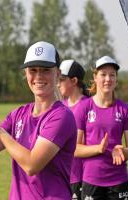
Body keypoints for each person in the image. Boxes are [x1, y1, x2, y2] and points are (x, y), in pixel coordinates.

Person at [0, 41, 77, 199]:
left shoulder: (61, 116)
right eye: (33, 70)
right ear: (26, 74)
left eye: (45, 70)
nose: (38, 76)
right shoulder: (19, 114)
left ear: (57, 74)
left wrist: (1, 133)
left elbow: (32, 165)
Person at [74, 56, 128, 200]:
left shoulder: (124, 109)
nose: (108, 79)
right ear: (95, 77)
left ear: (116, 79)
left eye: (112, 75)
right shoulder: (84, 107)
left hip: (119, 182)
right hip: (91, 181)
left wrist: (121, 150)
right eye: (103, 74)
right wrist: (98, 148)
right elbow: (75, 149)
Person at [58, 60, 88, 200]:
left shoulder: (89, 105)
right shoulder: (60, 106)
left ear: (74, 81)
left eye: (62, 80)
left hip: (83, 178)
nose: (58, 84)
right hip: (62, 175)